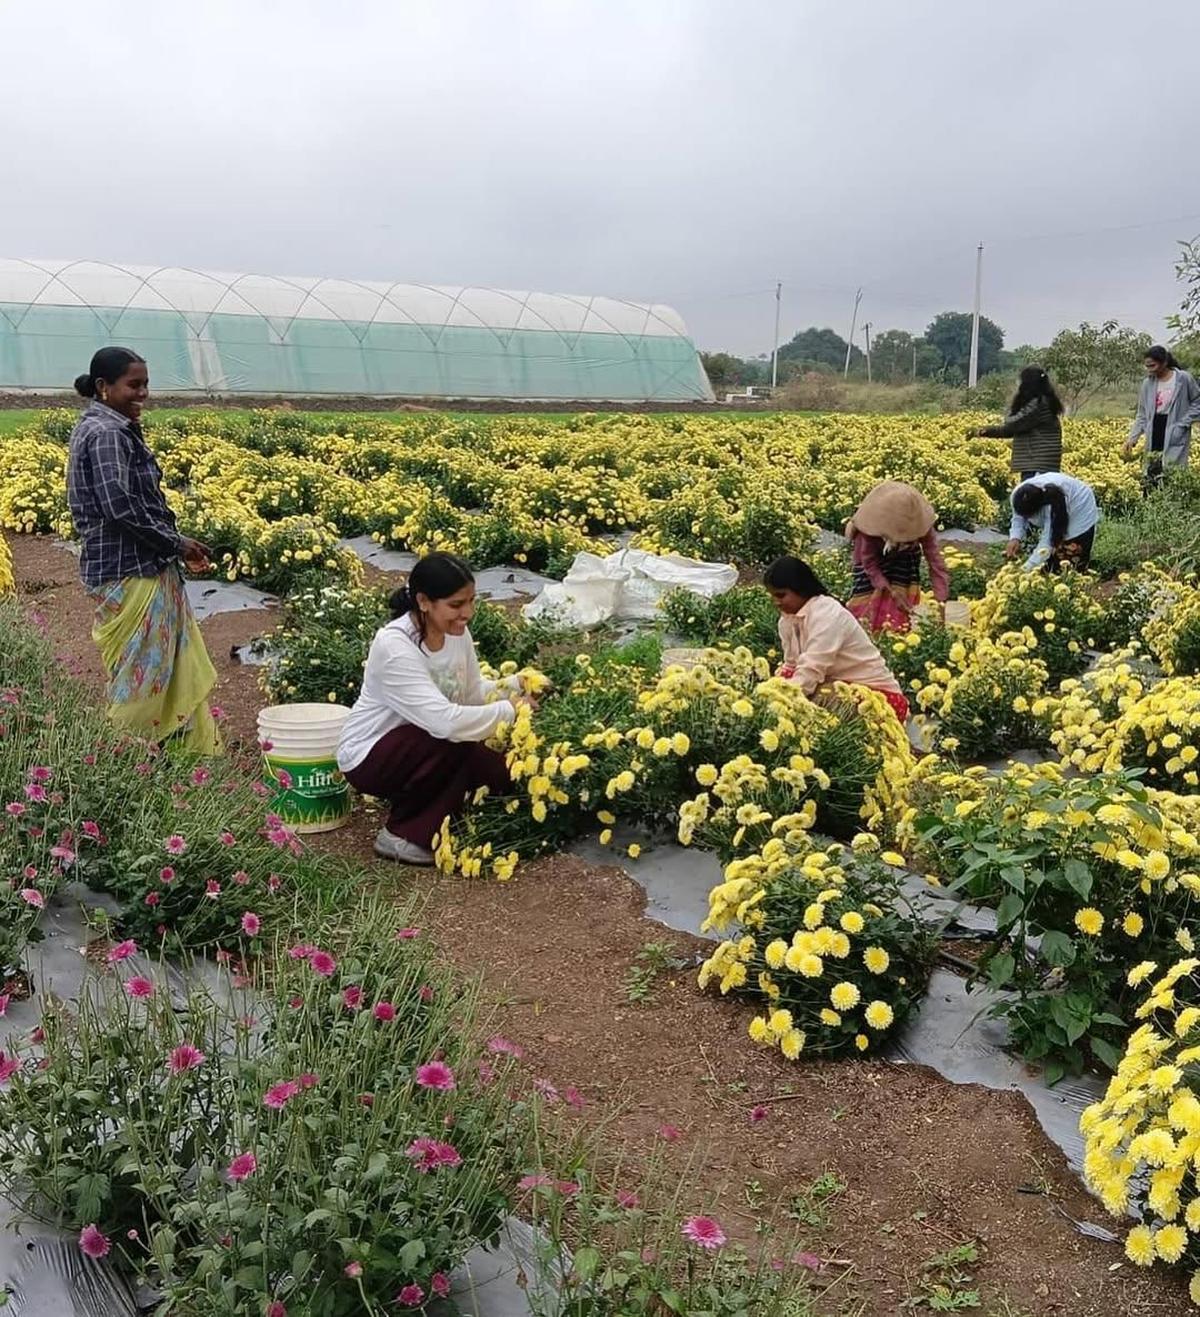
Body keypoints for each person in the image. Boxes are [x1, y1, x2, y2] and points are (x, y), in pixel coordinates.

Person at [66, 347, 220, 754]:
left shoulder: (105, 426)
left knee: (159, 671)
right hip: (129, 571)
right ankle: (121, 760)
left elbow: (133, 503)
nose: (143, 393)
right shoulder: (107, 433)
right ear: (104, 387)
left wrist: (175, 545)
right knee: (142, 679)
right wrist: (177, 542)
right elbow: (119, 507)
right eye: (134, 384)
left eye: (146, 384)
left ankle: (172, 759)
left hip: (138, 567)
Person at [337, 553, 529, 865]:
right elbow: (446, 723)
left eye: (471, 601)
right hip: (371, 756)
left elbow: (470, 694)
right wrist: (509, 711)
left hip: (426, 742)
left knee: (506, 777)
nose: (467, 613)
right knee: (452, 741)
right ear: (424, 602)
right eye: (456, 604)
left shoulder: (456, 633)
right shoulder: (396, 646)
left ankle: (441, 810)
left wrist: (515, 685)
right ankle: (403, 835)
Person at [764, 556, 909, 723]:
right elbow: (791, 665)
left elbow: (812, 668)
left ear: (800, 588)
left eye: (781, 595)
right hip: (836, 685)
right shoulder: (787, 620)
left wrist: (784, 700)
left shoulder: (826, 613)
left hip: (881, 698)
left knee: (816, 702)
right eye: (772, 596)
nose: (776, 602)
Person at [843, 481, 949, 632]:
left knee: (901, 603)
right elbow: (870, 566)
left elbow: (936, 563)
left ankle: (898, 629)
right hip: (871, 565)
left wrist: (941, 600)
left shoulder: (921, 526)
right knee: (867, 601)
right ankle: (866, 633)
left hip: (904, 559)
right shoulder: (868, 533)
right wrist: (891, 591)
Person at [967, 364, 1064, 479]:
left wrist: (1014, 405)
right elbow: (1012, 430)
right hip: (1041, 465)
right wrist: (985, 431)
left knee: (1031, 496)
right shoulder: (1045, 401)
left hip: (1037, 465)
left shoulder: (1038, 405)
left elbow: (1011, 424)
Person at [1124, 345, 1200, 486]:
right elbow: (1142, 413)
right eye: (1147, 366)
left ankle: (1172, 505)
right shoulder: (1148, 383)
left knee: (1172, 471)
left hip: (1175, 427)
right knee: (1152, 469)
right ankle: (1152, 504)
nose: (1149, 370)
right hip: (1154, 428)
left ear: (1164, 362)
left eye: (1152, 365)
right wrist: (1133, 437)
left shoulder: (1183, 379)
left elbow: (1197, 401)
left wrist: (1184, 423)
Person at [1005, 473, 1100, 573]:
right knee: (1047, 565)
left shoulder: (1051, 505)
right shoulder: (1018, 495)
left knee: (1069, 567)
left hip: (1080, 508)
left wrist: (1025, 569)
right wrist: (1015, 538)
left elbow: (1048, 539)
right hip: (1060, 504)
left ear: (1039, 509)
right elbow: (1018, 516)